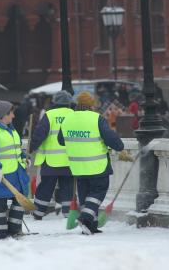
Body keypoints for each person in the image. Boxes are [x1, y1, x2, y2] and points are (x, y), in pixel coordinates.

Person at [58, 91, 124, 235]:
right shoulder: (96, 119)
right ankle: (86, 218)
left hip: (77, 166)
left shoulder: (68, 120)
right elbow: (111, 138)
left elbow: (61, 140)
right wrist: (120, 147)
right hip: (96, 165)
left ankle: (90, 226)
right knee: (98, 191)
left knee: (85, 195)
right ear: (91, 105)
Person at [0, 100, 30, 240]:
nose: (13, 116)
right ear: (3, 115)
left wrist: (25, 158)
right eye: (11, 113)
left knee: (19, 201)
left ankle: (14, 231)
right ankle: (2, 237)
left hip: (15, 174)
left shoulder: (12, 130)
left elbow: (17, 150)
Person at [29, 90, 75, 220]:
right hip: (69, 161)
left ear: (55, 102)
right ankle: (67, 213)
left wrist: (31, 149)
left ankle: (38, 213)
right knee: (68, 187)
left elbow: (39, 135)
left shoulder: (50, 115)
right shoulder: (74, 115)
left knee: (45, 188)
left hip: (50, 161)